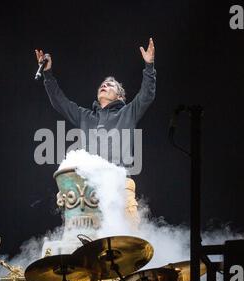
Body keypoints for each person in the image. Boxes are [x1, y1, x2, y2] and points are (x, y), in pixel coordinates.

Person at [35, 39, 156, 228]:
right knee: (88, 241)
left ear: (120, 96)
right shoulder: (86, 116)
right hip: (90, 188)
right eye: (103, 84)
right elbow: (61, 102)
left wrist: (149, 66)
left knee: (126, 238)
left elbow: (147, 95)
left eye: (110, 85)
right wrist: (48, 74)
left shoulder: (128, 112)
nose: (104, 86)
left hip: (120, 186)